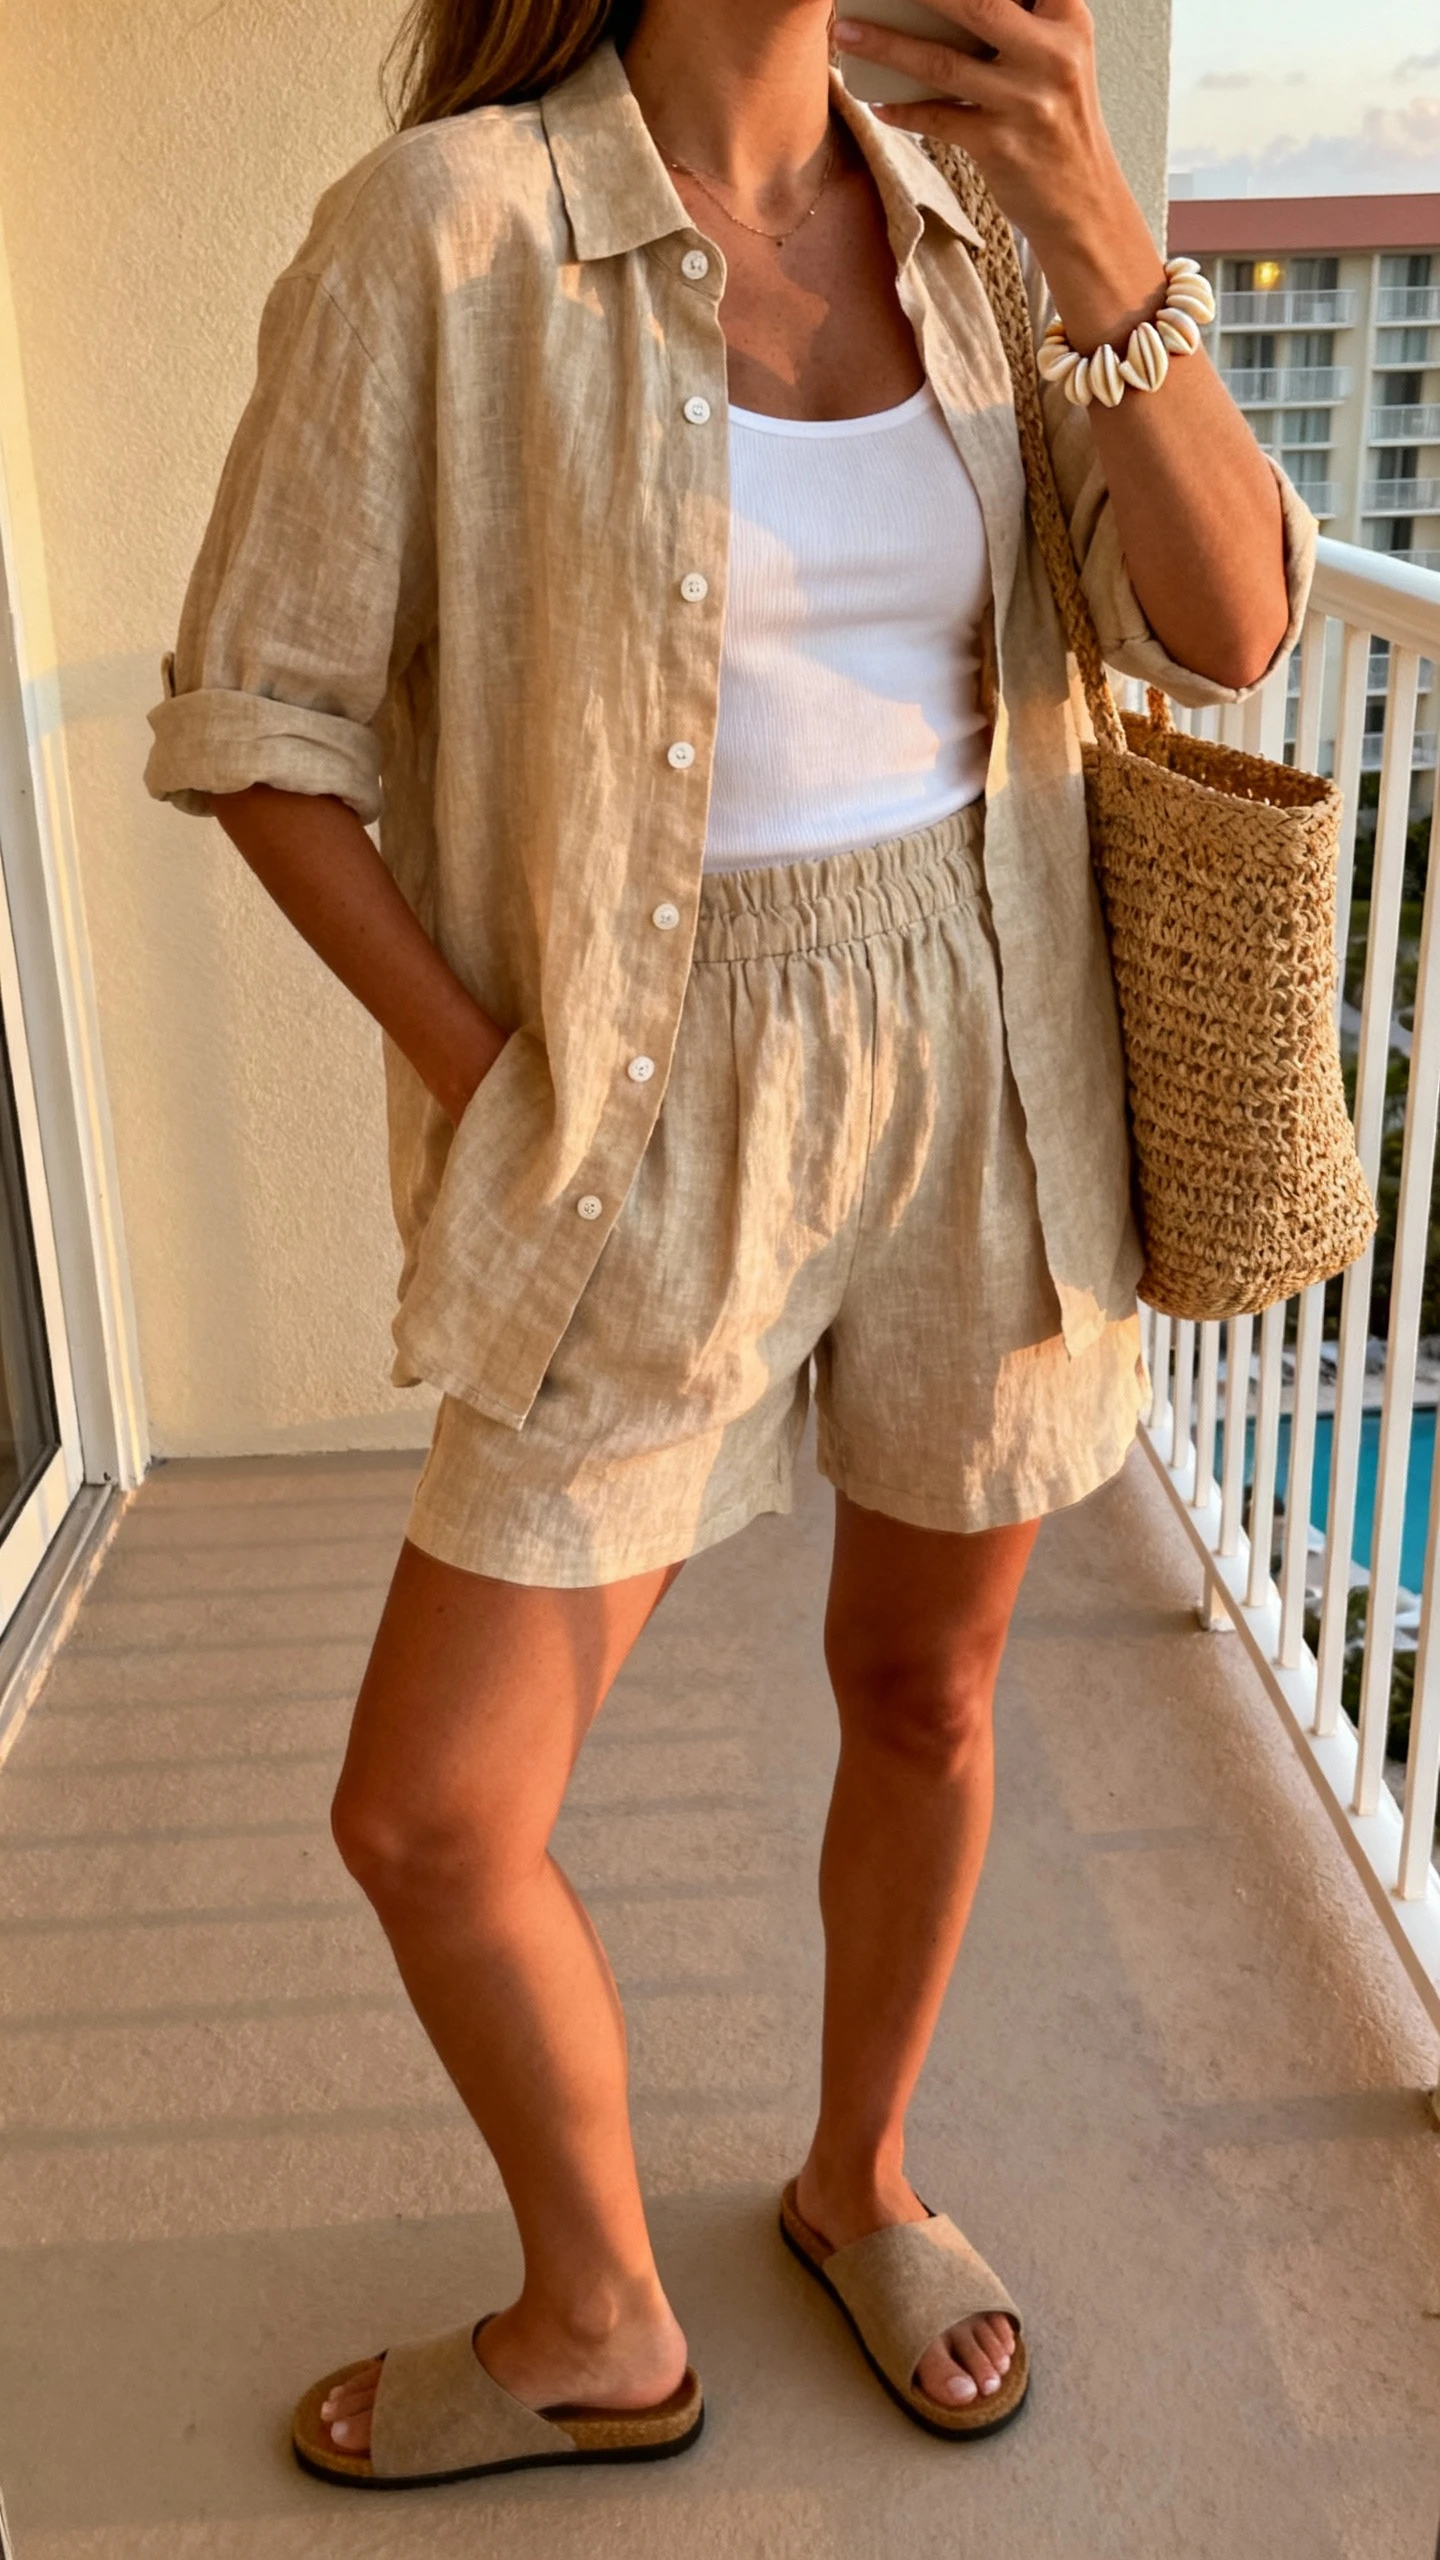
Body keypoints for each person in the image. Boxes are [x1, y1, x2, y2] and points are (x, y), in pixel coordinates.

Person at [144, 0, 1308, 2492]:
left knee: (929, 1687)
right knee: (433, 1810)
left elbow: (1231, 627)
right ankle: (595, 2309)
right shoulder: (448, 232)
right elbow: (258, 718)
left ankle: (860, 2175)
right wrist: (503, 1075)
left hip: (995, 1054)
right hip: (643, 1105)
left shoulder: (983, 221)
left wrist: (1101, 224)